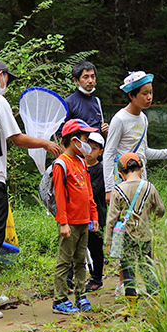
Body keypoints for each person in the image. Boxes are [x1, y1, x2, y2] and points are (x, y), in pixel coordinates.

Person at [0, 60, 62, 320]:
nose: (8, 85)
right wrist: (46, 143)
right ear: (1, 76)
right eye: (8, 79)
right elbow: (16, 138)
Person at [105, 153, 165, 314]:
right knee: (147, 269)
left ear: (120, 173)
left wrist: (108, 241)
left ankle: (132, 307)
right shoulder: (149, 187)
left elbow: (111, 218)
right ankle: (156, 304)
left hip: (126, 237)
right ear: (142, 168)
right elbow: (161, 211)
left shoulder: (118, 190)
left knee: (128, 271)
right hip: (145, 236)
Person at [103, 71, 167, 202]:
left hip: (141, 179)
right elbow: (108, 153)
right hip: (123, 180)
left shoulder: (143, 118)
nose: (149, 97)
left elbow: (144, 151)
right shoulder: (120, 119)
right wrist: (108, 188)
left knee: (141, 219)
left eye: (151, 92)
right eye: (145, 93)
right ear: (131, 95)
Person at [52, 119, 100, 314]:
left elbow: (88, 192)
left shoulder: (81, 162)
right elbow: (60, 197)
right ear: (74, 140)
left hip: (84, 221)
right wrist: (63, 223)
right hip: (70, 222)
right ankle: (60, 299)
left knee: (81, 260)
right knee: (65, 261)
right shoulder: (61, 164)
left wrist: (93, 214)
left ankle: (80, 295)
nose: (87, 143)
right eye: (85, 138)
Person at [83, 132, 107, 292]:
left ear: (101, 151)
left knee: (95, 248)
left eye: (94, 148)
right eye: (87, 147)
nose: (89, 151)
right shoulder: (79, 166)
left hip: (97, 215)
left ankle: (97, 277)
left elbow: (95, 190)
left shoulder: (101, 170)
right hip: (79, 215)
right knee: (78, 247)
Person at [64, 61, 109, 135]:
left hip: (98, 145)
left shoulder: (97, 101)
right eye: (86, 77)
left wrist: (105, 130)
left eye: (93, 76)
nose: (90, 81)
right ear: (76, 80)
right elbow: (61, 132)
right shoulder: (69, 102)